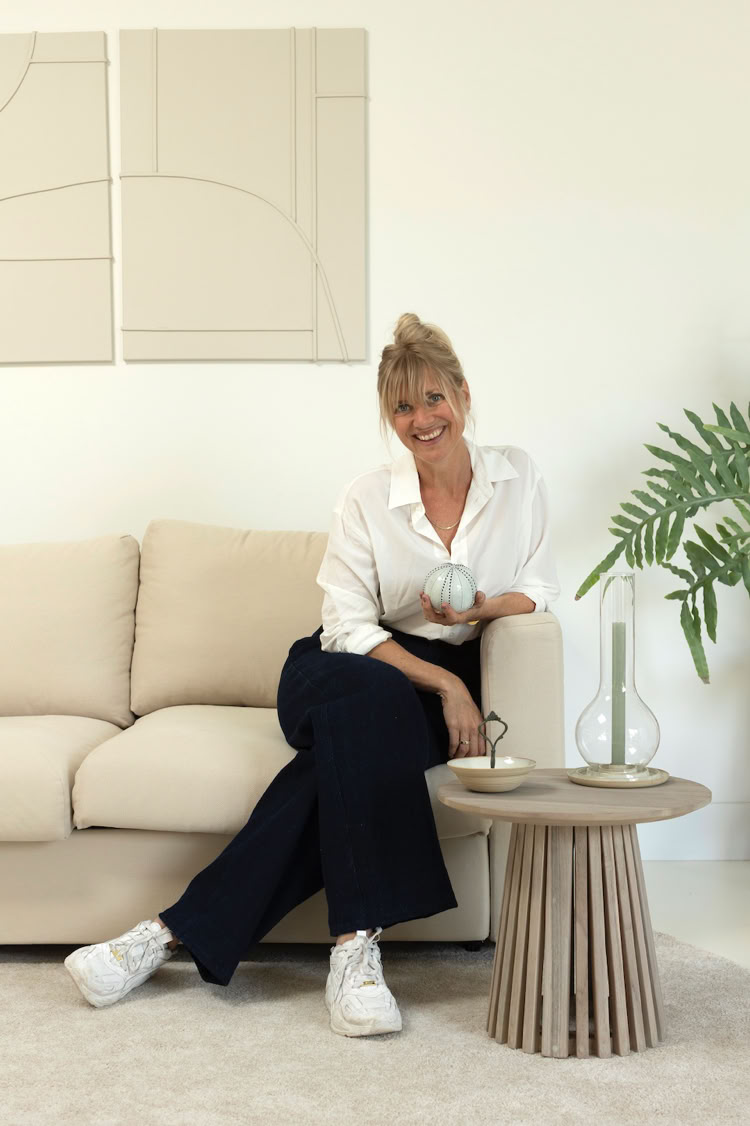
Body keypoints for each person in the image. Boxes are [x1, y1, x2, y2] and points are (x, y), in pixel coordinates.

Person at [63, 313, 560, 1037]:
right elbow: (347, 628)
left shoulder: (517, 477)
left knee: (345, 759)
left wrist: (481, 609)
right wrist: (450, 686)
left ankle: (162, 935)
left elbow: (539, 589)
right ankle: (356, 945)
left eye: (433, 398)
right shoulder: (366, 497)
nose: (422, 419)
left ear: (462, 394)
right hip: (342, 665)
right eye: (403, 406)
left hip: (414, 688)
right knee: (374, 699)